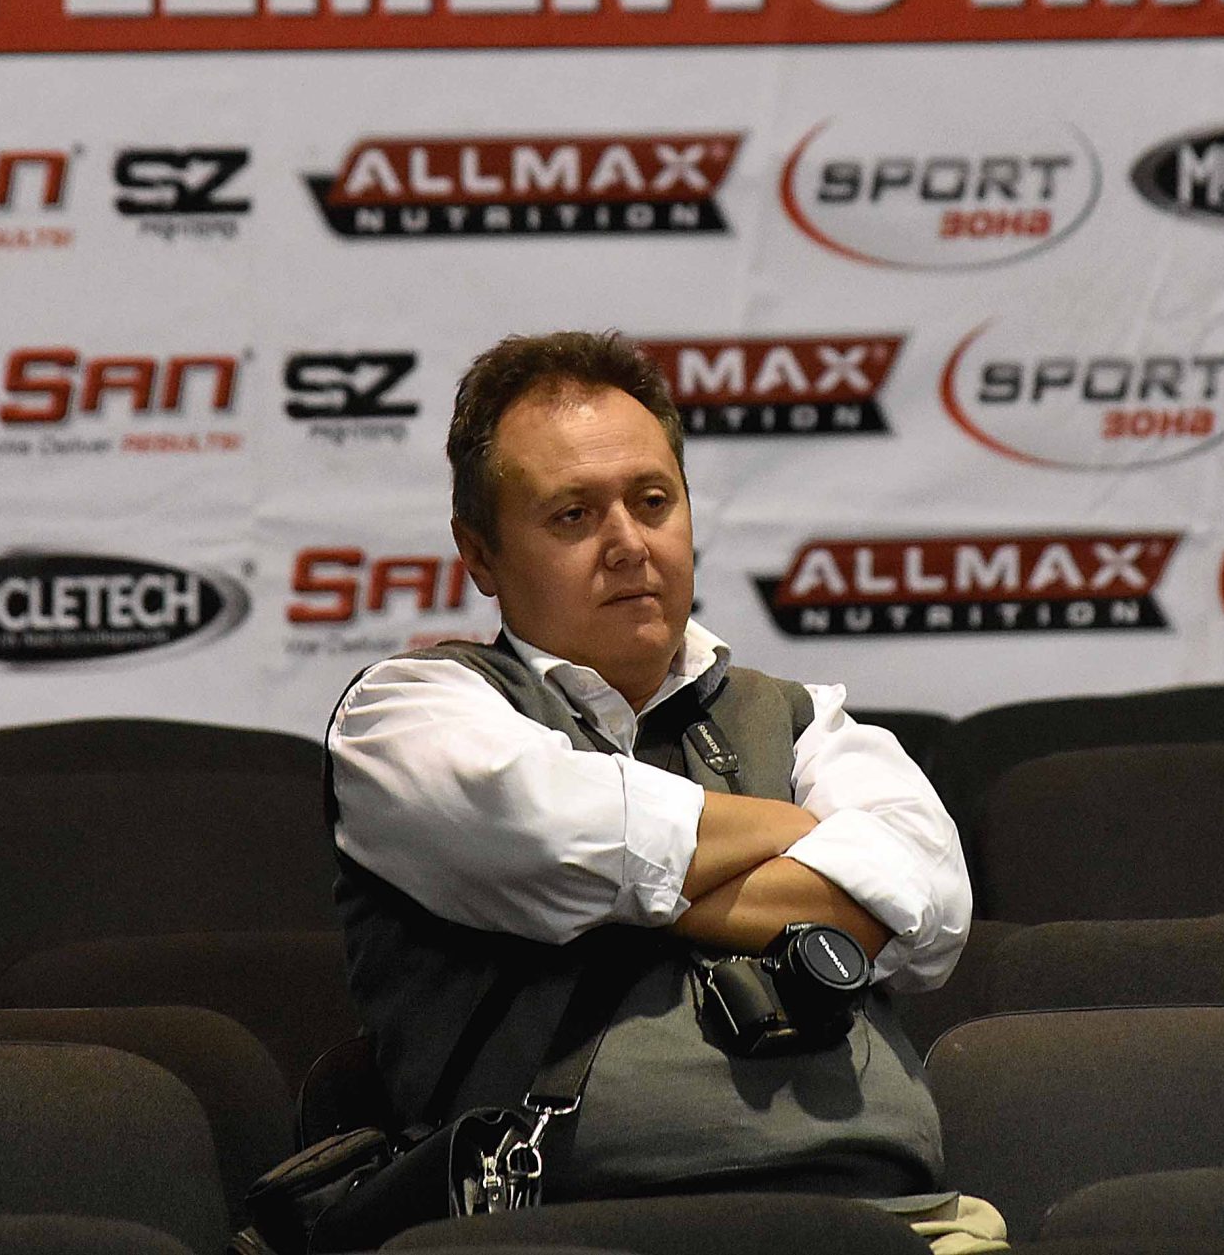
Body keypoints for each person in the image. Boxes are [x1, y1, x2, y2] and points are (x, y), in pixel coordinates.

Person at [325, 330, 1000, 1245]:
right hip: (569, 1232)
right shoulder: (402, 714)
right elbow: (551, 831)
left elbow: (928, 904)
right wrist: (795, 832)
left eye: (653, 501)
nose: (628, 544)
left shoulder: (803, 716)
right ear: (479, 554)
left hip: (891, 1221)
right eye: (573, 515)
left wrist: (629, 892)